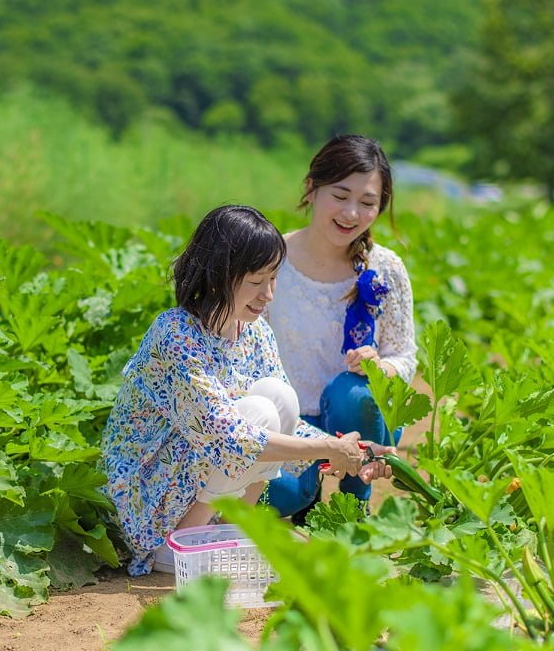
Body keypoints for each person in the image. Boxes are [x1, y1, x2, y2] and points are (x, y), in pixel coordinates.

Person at [101, 204, 393, 575]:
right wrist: (329, 449)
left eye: (273, 279)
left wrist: (358, 450)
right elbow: (230, 438)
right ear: (216, 277)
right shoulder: (175, 334)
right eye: (256, 282)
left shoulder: (254, 332)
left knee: (279, 398)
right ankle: (177, 544)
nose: (268, 294)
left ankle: (233, 529)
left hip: (201, 469)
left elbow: (288, 424)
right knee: (258, 414)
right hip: (153, 500)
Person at [264, 135, 417, 522]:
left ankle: (355, 503)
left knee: (354, 394)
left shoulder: (386, 268)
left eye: (367, 203)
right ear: (312, 189)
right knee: (278, 498)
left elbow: (405, 355)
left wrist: (381, 367)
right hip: (291, 421)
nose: (351, 213)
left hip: (360, 418)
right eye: (340, 195)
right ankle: (307, 493)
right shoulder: (271, 261)